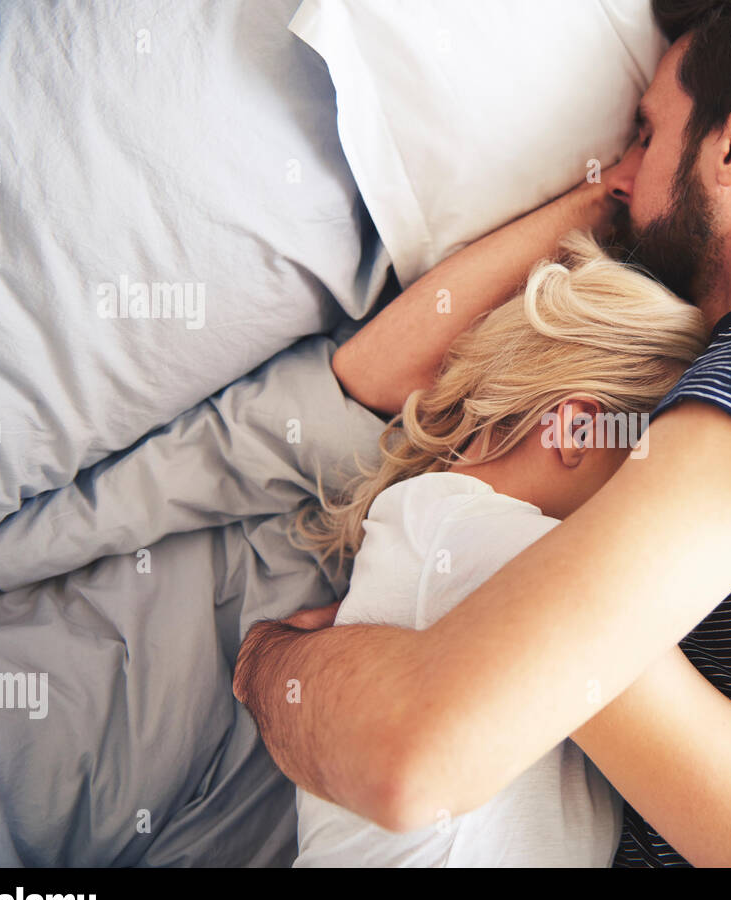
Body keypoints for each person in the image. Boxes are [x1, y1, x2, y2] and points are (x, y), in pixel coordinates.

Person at [235, 0, 731, 866]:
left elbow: (413, 759)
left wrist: (270, 662)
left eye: (645, 132)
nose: (620, 172)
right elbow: (395, 386)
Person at [289, 231, 707, 866]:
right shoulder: (476, 532)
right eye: (659, 463)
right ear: (579, 429)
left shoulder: (439, 531)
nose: (671, 505)